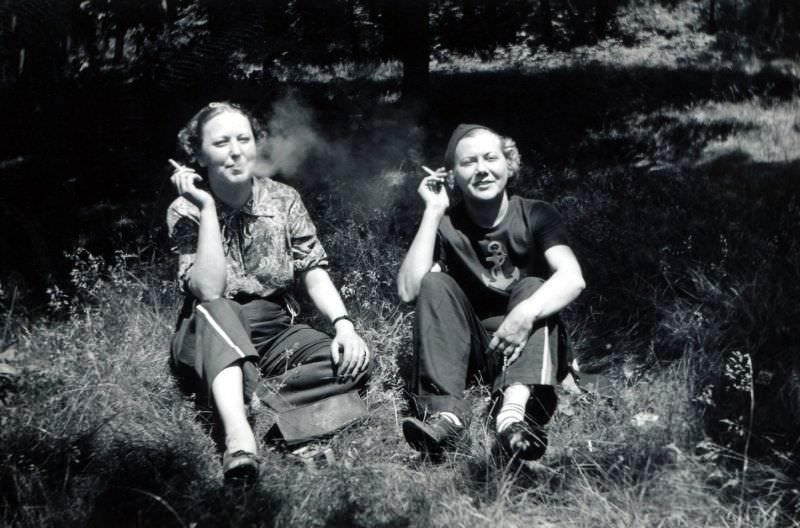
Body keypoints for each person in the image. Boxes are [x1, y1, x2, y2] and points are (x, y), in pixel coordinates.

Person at [166, 102, 370, 482]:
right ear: (198, 153)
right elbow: (208, 290)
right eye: (221, 141)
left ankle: (257, 403)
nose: (235, 150)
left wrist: (344, 325)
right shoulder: (186, 209)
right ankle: (240, 438)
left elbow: (313, 269)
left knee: (352, 363)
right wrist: (207, 208)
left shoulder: (283, 198)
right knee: (217, 306)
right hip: (209, 327)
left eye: (243, 139)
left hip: (273, 326)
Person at [397, 124, 585, 460]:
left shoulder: (536, 213)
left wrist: (524, 314)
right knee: (434, 282)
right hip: (475, 350)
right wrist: (433, 210)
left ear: (508, 164)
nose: (482, 169)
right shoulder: (447, 222)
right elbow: (410, 291)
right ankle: (448, 418)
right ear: (452, 175)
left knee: (534, 287)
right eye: (468, 162)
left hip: (530, 343)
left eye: (490, 158)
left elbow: (573, 278)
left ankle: (511, 418)